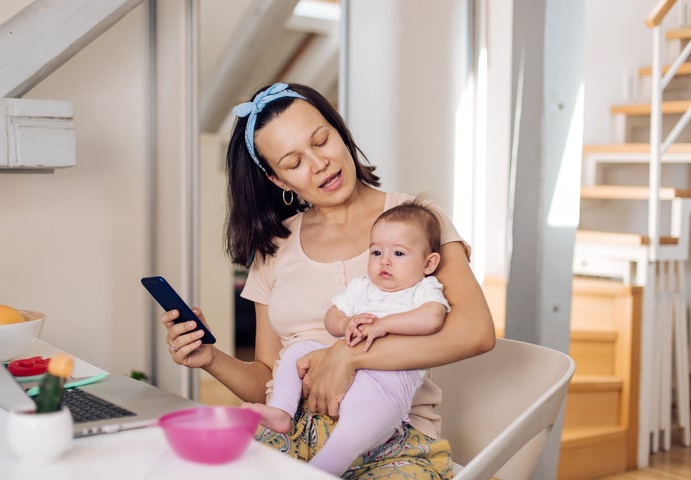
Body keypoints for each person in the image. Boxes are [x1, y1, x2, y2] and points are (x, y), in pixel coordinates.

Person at [162, 82, 495, 479]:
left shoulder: (416, 222)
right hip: (291, 434)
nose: (319, 163)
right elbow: (269, 375)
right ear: (277, 180)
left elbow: (476, 333)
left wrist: (349, 355)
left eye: (321, 140)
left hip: (392, 440)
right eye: (293, 162)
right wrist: (209, 359)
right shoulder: (274, 247)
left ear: (340, 131)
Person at [242, 199, 451, 476]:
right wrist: (345, 322)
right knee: (298, 351)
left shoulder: (423, 290)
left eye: (398, 254)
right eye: (376, 252)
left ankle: (325, 467)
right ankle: (281, 410)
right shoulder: (362, 287)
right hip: (336, 375)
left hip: (385, 386)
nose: (384, 261)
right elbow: (332, 316)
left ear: (429, 263)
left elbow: (432, 318)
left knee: (357, 426)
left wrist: (384, 325)